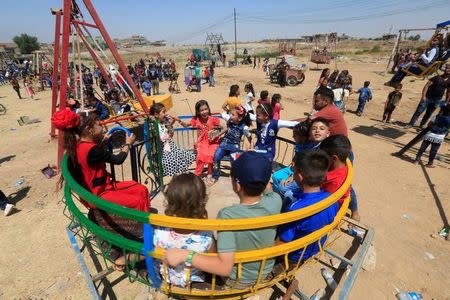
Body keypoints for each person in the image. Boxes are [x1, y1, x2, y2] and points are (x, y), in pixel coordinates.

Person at [164, 151, 282, 289]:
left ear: (237, 185)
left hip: (237, 280)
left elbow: (224, 268)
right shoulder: (275, 201)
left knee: (209, 238)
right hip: (264, 272)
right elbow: (268, 188)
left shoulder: (228, 215)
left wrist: (186, 255)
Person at [276, 150, 338, 263]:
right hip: (315, 247)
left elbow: (282, 242)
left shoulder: (295, 210)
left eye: (293, 172)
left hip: (294, 256)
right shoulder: (332, 199)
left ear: (299, 177)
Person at [154, 173, 215, 287]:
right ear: (201, 202)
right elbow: (213, 258)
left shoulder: (160, 230)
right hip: (192, 282)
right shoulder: (205, 236)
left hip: (166, 279)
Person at [273, 118, 330, 203]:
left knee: (284, 189)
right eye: (314, 129)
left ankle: (288, 205)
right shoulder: (311, 144)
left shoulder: (324, 150)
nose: (317, 131)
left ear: (328, 133)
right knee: (276, 177)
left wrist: (293, 176)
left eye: (321, 129)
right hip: (298, 172)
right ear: (310, 133)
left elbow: (309, 170)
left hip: (308, 178)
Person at [177, 100, 224, 177]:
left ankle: (210, 171)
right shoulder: (196, 119)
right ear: (198, 112)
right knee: (201, 154)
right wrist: (179, 120)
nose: (204, 112)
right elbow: (186, 125)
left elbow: (224, 128)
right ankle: (197, 173)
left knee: (212, 154)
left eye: (206, 109)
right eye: (201, 110)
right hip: (202, 141)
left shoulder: (213, 119)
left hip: (213, 141)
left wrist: (216, 134)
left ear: (208, 109)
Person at [208, 105, 252, 185]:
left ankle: (236, 177)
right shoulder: (229, 120)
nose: (230, 116)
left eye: (233, 115)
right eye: (230, 114)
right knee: (216, 156)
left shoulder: (244, 127)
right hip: (224, 143)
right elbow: (220, 112)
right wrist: (209, 114)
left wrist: (249, 145)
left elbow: (249, 137)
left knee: (235, 161)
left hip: (234, 146)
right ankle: (215, 175)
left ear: (239, 118)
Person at [320, 135, 360, 221]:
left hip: (324, 213)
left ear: (334, 158)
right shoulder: (344, 168)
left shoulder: (334, 182)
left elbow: (321, 202)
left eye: (323, 156)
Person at [150, 103, 196, 176]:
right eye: (163, 112)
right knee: (173, 160)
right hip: (163, 149)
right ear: (156, 114)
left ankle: (182, 175)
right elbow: (160, 137)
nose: (165, 114)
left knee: (182, 156)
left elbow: (170, 134)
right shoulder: (153, 125)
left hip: (170, 146)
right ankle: (179, 175)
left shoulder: (163, 122)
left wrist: (171, 123)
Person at [405, 64, 450, 128]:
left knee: (429, 113)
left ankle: (422, 125)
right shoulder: (437, 77)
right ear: (445, 70)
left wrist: (447, 101)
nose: (448, 70)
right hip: (428, 97)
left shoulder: (449, 81)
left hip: (437, 100)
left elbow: (448, 92)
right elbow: (427, 85)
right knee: (419, 111)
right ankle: (411, 124)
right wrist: (423, 96)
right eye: (447, 69)